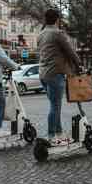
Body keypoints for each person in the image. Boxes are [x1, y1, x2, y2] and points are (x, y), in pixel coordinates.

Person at [37, 9, 81, 143]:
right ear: (57, 20)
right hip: (55, 73)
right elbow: (70, 51)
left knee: (54, 105)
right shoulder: (57, 33)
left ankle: (59, 132)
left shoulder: (41, 34)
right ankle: (51, 135)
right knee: (55, 106)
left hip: (43, 74)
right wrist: (79, 63)